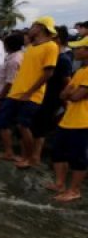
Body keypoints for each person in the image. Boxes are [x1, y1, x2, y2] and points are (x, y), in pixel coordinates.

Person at [0, 16, 59, 168]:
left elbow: (48, 73)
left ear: (40, 27)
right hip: (16, 92)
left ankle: (30, 159)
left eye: (33, 25)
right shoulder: (31, 47)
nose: (31, 28)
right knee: (2, 121)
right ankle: (9, 152)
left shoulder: (51, 46)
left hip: (31, 94)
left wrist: (30, 92)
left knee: (23, 126)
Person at [46, 36, 88, 202]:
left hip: (83, 121)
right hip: (69, 119)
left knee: (78, 157)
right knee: (57, 152)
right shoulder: (80, 71)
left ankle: (74, 190)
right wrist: (72, 93)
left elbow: (76, 96)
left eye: (79, 48)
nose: (76, 51)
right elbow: (64, 93)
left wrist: (72, 93)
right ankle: (60, 183)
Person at [30, 26, 74, 165]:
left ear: (57, 40)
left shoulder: (63, 60)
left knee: (40, 127)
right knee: (33, 124)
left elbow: (68, 83)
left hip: (51, 99)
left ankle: (36, 156)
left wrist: (65, 103)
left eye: (50, 37)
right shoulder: (48, 56)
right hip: (39, 95)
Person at [0, 33, 25, 151]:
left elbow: (10, 82)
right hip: (1, 92)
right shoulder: (15, 56)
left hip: (2, 95)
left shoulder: (14, 60)